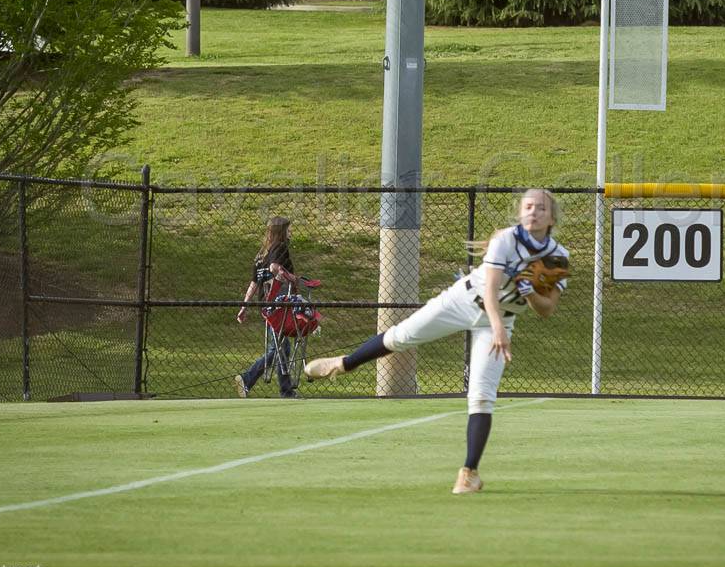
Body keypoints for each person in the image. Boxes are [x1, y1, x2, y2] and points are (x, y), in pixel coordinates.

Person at [304, 189, 569, 494]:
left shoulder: (556, 257)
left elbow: (546, 309)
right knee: (400, 336)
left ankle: (469, 473)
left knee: (482, 395)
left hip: (501, 319)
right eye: (528, 206)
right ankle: (345, 363)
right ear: (521, 212)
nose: (533, 211)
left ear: (551, 217)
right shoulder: (506, 240)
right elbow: (491, 289)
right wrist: (498, 328)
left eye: (541, 208)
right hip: (464, 301)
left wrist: (529, 290)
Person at [234, 216, 299, 399]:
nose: (290, 232)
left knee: (280, 347)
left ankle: (285, 390)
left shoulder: (261, 254)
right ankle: (248, 379)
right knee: (279, 348)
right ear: (281, 231)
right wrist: (292, 278)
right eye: (288, 229)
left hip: (266, 305)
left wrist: (244, 306)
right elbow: (275, 267)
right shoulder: (280, 248)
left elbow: (254, 283)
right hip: (279, 304)